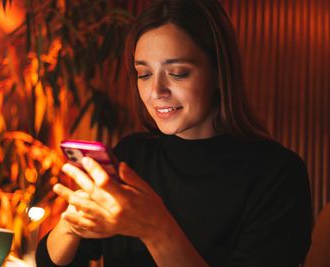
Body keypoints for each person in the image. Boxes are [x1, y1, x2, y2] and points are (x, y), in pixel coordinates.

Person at [35, 0, 312, 266]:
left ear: (218, 72)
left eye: (178, 73)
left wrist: (157, 230)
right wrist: (71, 225)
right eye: (143, 74)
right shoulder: (131, 156)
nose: (156, 92)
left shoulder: (278, 175)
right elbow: (52, 262)